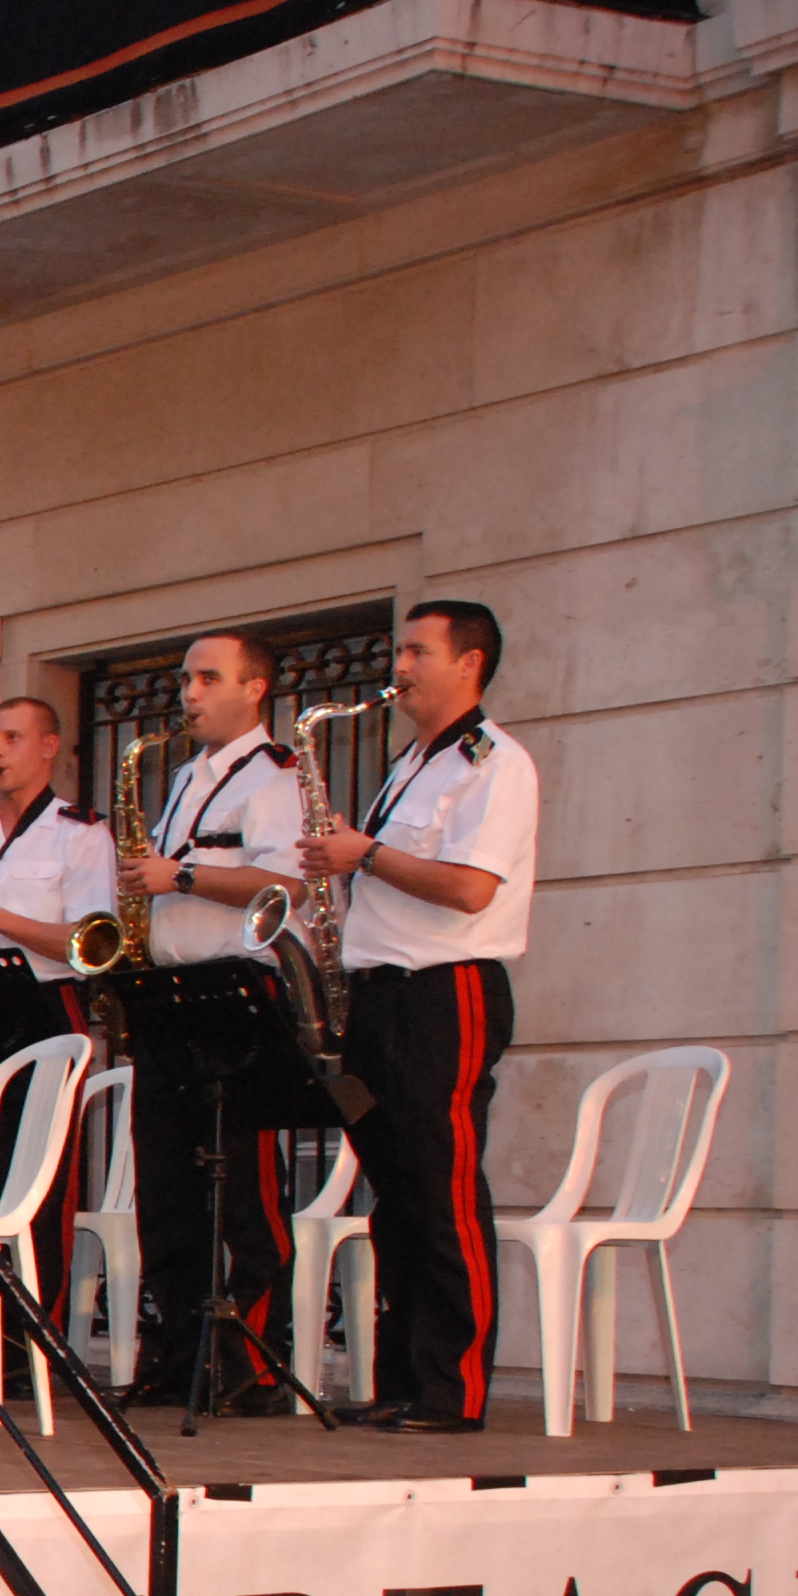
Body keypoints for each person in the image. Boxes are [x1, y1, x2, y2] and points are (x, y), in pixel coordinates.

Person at [299, 599, 535, 1434]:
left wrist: (366, 854)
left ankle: (453, 1390)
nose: (399, 668)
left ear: (469, 663)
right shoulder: (412, 762)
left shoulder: (493, 762)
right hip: (378, 991)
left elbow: (472, 888)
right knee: (393, 1193)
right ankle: (403, 1380)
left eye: (416, 652)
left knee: (442, 1190)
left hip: (445, 993)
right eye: (400, 651)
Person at [121, 630, 308, 1405]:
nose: (189, 693)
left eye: (207, 678)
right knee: (167, 1185)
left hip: (238, 991)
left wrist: (182, 875)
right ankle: (178, 1358)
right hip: (171, 990)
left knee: (244, 1188)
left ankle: (252, 1365)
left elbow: (284, 887)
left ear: (254, 687)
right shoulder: (189, 776)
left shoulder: (279, 778)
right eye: (186, 678)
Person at [0, 696, 111, 1326]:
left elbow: (91, 942)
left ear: (49, 745)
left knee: (40, 1177)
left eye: (12, 737)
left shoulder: (81, 832)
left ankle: (39, 1331)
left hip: (42, 1006)